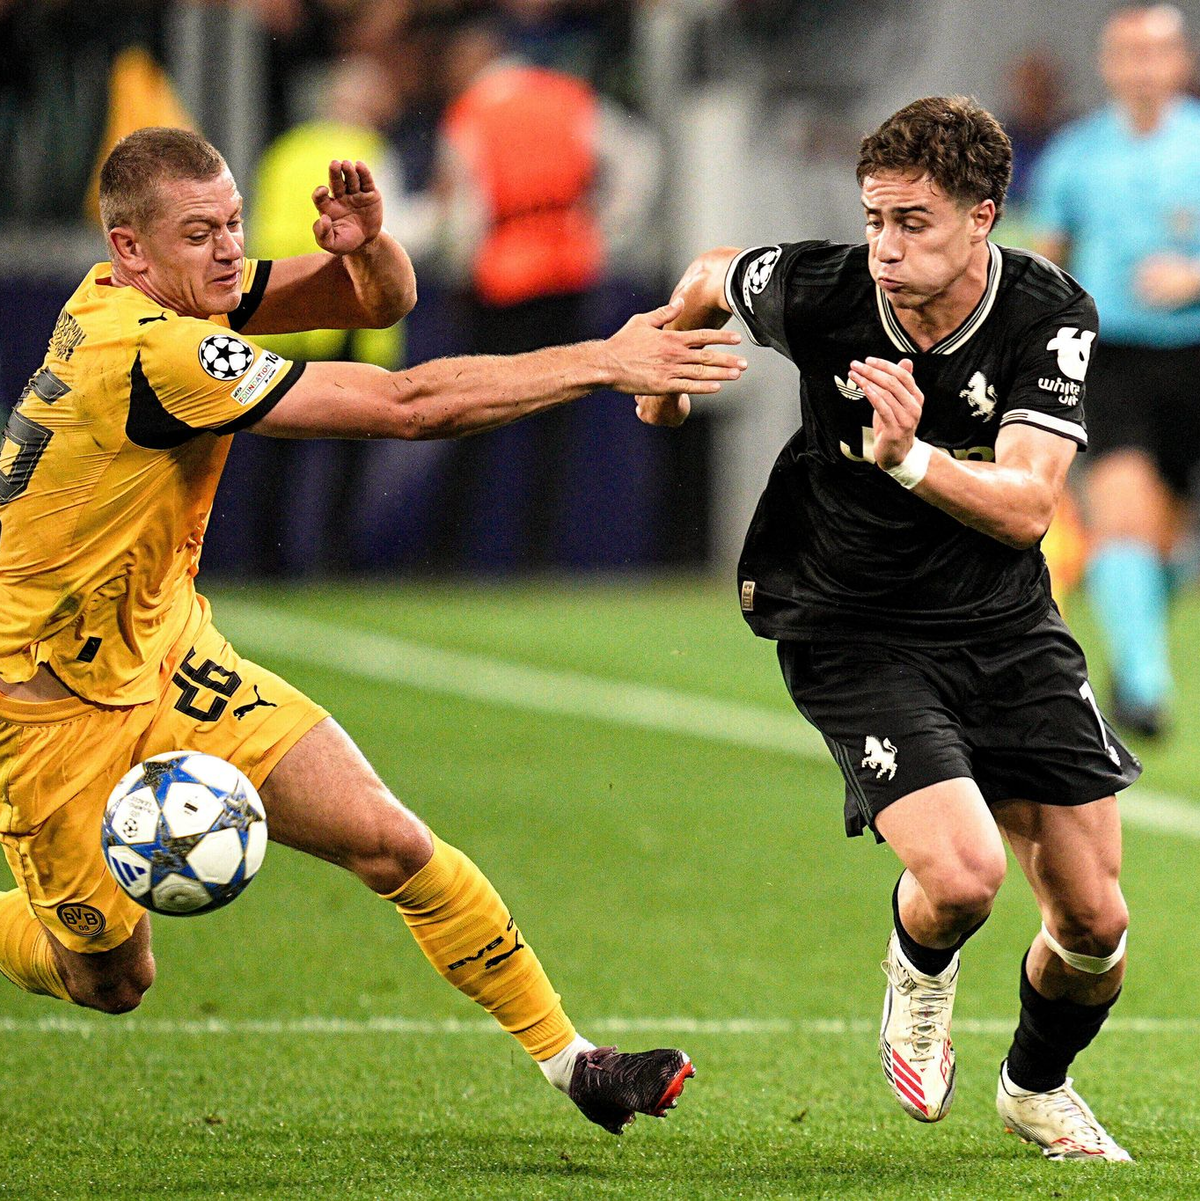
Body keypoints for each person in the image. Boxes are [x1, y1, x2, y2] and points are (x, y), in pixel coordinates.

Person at [0, 126, 747, 1134]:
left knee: (390, 841)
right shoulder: (152, 350)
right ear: (129, 248)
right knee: (113, 978)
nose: (229, 250)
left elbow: (375, 302)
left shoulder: (175, 294)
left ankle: (578, 1063)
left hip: (166, 651)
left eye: (233, 223)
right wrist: (604, 359)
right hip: (46, 710)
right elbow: (406, 405)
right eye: (200, 234)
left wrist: (367, 247)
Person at [637, 96, 1139, 1161]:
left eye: (913, 222)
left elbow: (1031, 506)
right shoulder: (823, 288)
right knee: (962, 877)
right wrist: (663, 378)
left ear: (982, 217)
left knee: (1096, 926)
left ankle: (1034, 1087)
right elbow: (708, 277)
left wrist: (909, 457)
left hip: (1004, 625)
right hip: (850, 621)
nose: (885, 246)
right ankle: (920, 975)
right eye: (874, 218)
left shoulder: (1047, 314)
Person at [1030, 4, 1200, 738]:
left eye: (1156, 51)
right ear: (1108, 64)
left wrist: (1193, 279)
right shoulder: (1076, 154)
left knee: (1166, 543)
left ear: (1181, 61)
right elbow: (1049, 257)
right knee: (1121, 511)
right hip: (1113, 358)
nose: (1142, 66)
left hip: (1193, 354)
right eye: (1128, 52)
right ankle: (1144, 684)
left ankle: (1136, 647)